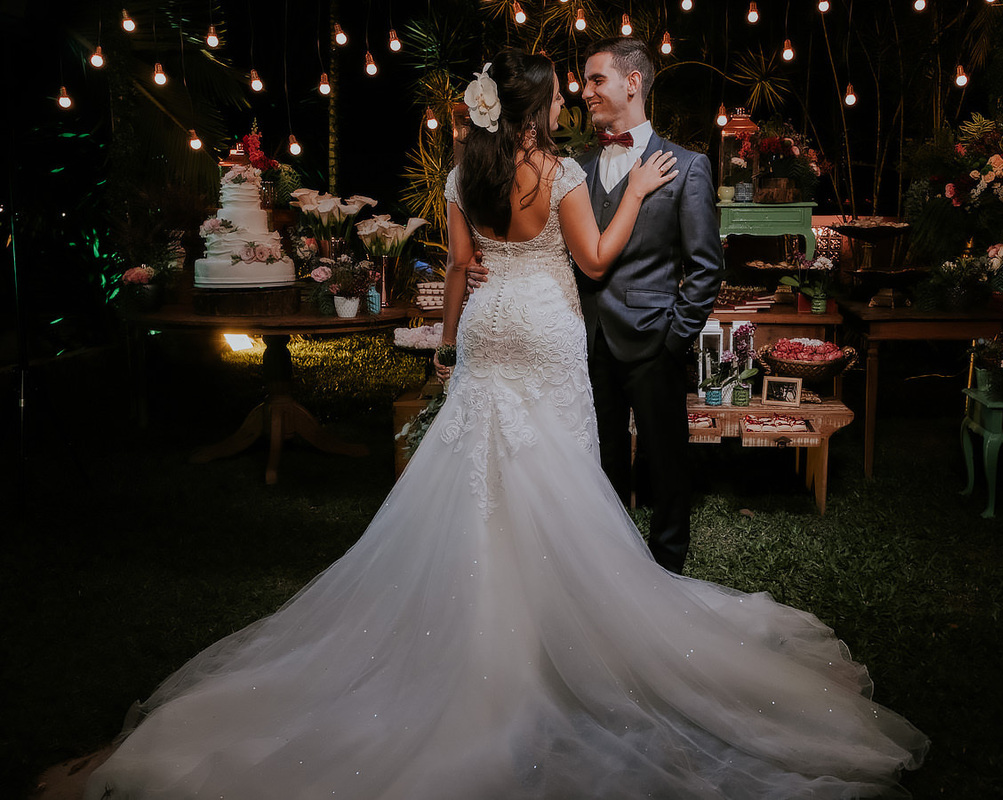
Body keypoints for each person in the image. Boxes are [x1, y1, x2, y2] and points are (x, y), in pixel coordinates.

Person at [86, 49, 926, 800]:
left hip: (488, 330)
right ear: (536, 108)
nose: (569, 102)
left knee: (479, 472)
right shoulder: (560, 173)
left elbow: (456, 270)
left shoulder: (463, 174)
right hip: (550, 326)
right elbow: (594, 260)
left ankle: (478, 633)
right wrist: (631, 192)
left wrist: (448, 349)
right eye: (561, 93)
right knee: (558, 470)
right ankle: (562, 639)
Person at [469, 37, 724, 575]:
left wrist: (673, 338)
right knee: (596, 470)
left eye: (595, 80)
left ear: (632, 82)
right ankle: (611, 577)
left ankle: (667, 574)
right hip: (581, 344)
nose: (585, 93)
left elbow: (705, 269)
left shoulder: (688, 166)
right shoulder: (569, 169)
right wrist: (483, 265)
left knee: (667, 467)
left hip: (655, 341)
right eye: (582, 84)